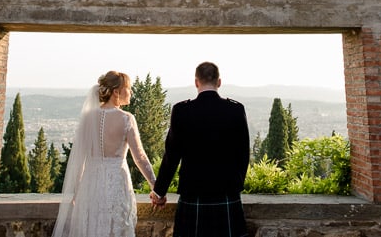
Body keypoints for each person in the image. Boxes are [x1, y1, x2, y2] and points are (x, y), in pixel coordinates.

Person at [150, 62, 250, 237]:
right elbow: (243, 154)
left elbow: (171, 156)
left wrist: (159, 191)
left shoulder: (182, 110)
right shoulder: (235, 109)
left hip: (193, 191)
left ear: (196, 82)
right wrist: (236, 184)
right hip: (226, 190)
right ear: (219, 82)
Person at [52, 70, 157, 237]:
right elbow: (140, 157)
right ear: (116, 92)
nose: (131, 92)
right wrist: (155, 187)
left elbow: (80, 158)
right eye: (128, 88)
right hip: (116, 183)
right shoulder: (126, 119)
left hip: (90, 185)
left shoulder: (88, 118)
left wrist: (77, 190)